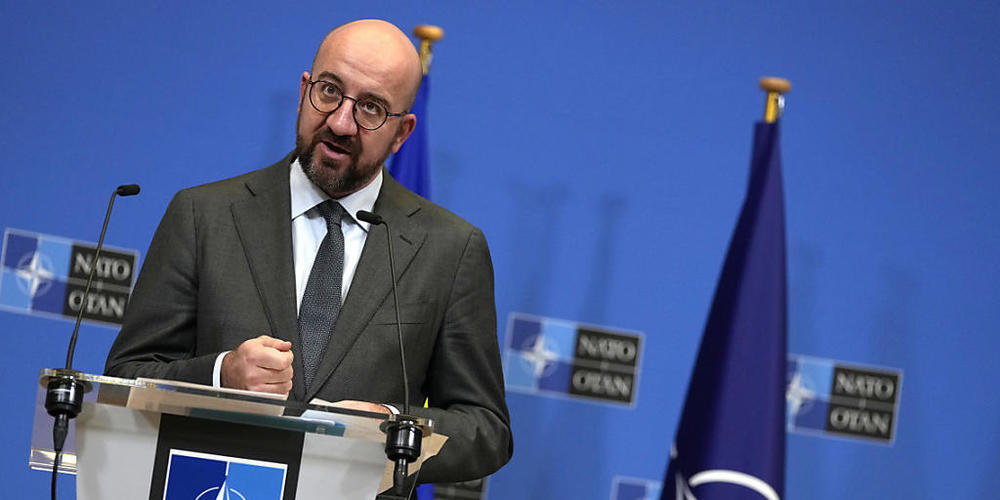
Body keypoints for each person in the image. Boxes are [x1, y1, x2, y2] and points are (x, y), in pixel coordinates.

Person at [104, 19, 512, 483]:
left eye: (371, 108)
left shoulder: (450, 250)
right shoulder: (203, 215)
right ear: (304, 91)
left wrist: (391, 427)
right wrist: (221, 376)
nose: (340, 122)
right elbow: (124, 379)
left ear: (402, 133)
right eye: (330, 91)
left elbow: (486, 429)